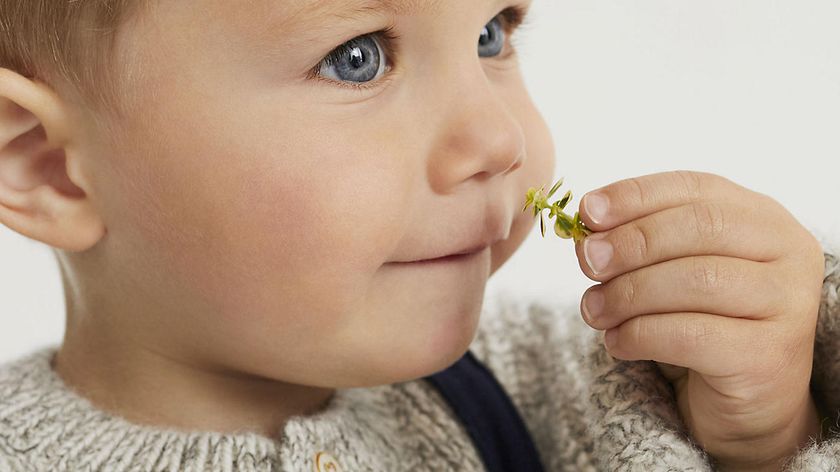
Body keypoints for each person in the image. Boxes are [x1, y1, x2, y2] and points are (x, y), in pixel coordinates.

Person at [0, 1, 838, 470]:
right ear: (49, 169)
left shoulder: (577, 386)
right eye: (356, 57)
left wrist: (757, 440)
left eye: (491, 34)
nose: (499, 138)